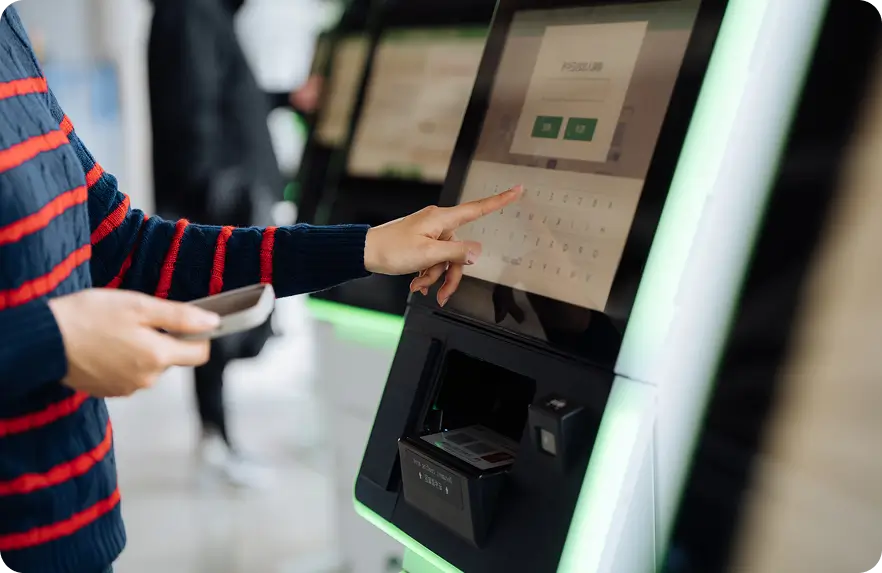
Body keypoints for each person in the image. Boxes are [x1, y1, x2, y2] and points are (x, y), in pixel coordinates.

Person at [0, 4, 521, 572]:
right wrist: (51, 341)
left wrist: (365, 246)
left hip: (75, 531)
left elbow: (130, 249)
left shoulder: (8, 32)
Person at [146, 0, 326, 487]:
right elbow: (191, 114)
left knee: (221, 327)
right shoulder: (191, 13)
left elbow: (227, 96)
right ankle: (217, 440)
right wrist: (219, 201)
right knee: (212, 324)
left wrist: (289, 98)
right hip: (217, 208)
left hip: (224, 200)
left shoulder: (208, 15)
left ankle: (219, 439)